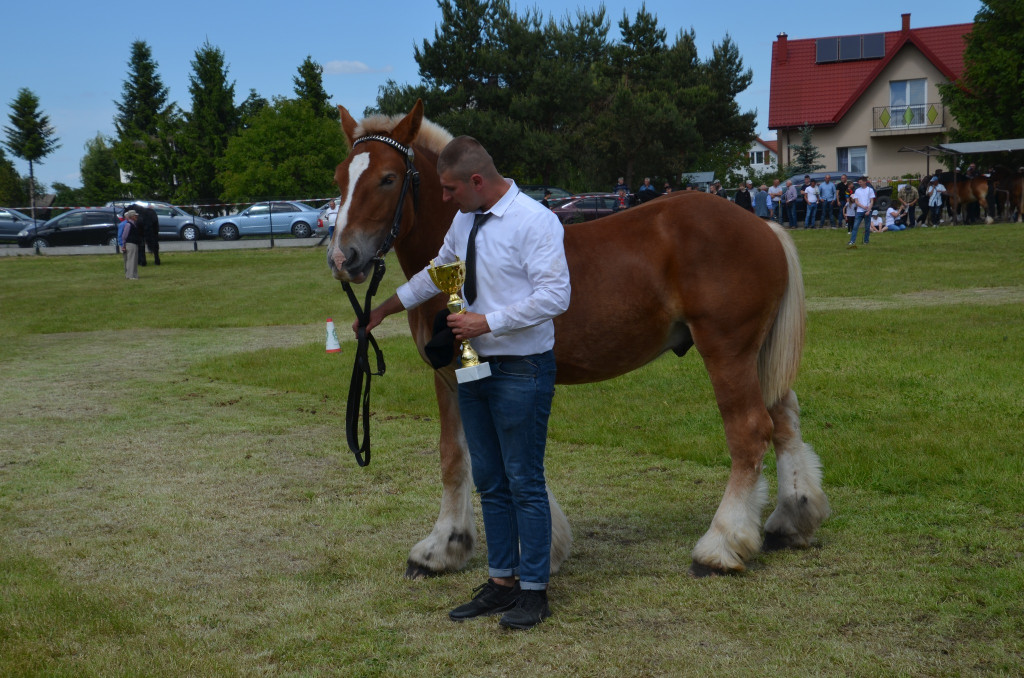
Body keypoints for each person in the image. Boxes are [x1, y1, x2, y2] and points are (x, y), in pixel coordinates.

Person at [358, 136, 571, 630]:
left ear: (477, 181)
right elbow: (440, 272)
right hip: (473, 366)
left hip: (521, 366)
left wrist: (487, 322)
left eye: (451, 189)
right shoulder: (465, 219)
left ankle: (534, 591)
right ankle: (501, 583)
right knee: (491, 482)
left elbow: (556, 295)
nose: (445, 198)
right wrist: (386, 309)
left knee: (524, 481)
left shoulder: (535, 222)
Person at [847, 175, 875, 247]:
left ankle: (866, 240)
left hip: (868, 211)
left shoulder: (870, 190)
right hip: (859, 211)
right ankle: (852, 241)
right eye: (859, 182)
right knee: (855, 226)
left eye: (861, 182)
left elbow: (872, 201)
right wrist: (863, 207)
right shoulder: (857, 190)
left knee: (867, 226)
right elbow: (856, 201)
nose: (859, 183)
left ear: (865, 182)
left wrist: (868, 210)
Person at [121, 210, 141, 279]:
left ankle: (134, 274)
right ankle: (130, 275)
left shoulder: (134, 224)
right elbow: (124, 236)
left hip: (134, 243)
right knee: (131, 260)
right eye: (135, 216)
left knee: (134, 260)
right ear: (132, 216)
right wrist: (123, 245)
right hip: (130, 244)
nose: (136, 217)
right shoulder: (128, 224)